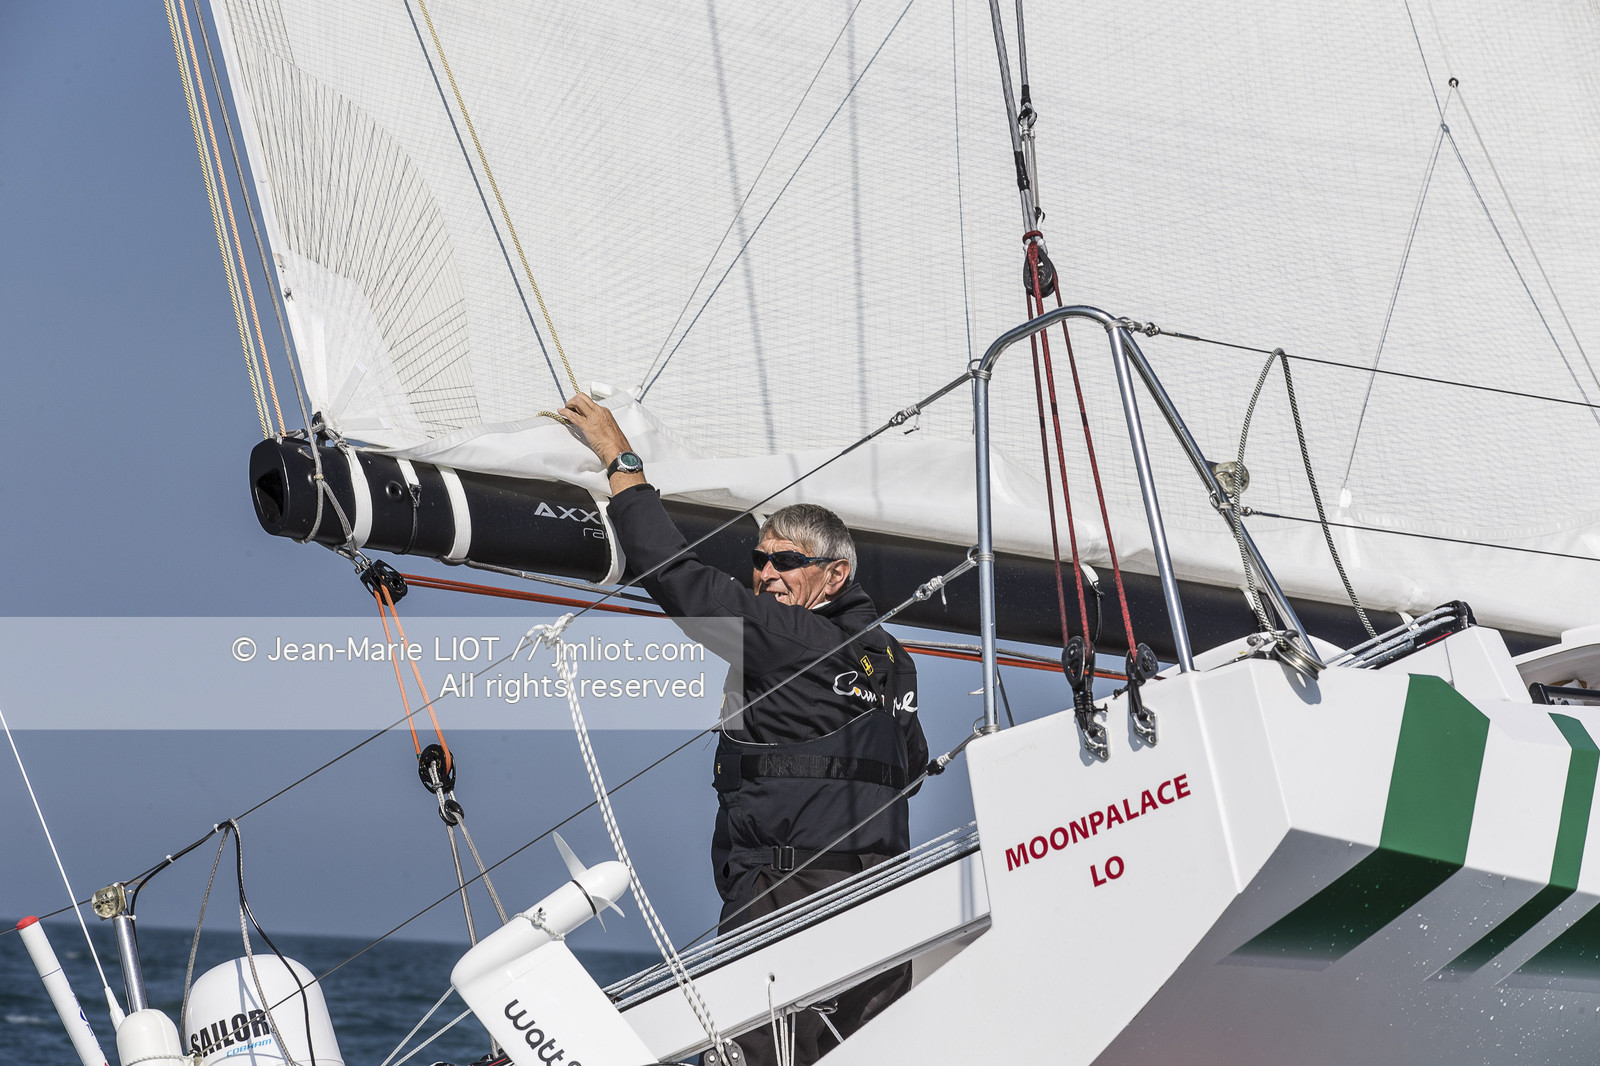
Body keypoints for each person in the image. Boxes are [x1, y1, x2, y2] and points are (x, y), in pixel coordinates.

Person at [561, 393, 927, 1066]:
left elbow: (673, 574)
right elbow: (906, 766)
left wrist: (622, 460)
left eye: (785, 562)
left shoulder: (788, 636)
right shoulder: (891, 659)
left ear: (834, 574)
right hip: (880, 905)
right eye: (759, 560)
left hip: (785, 903)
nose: (765, 575)